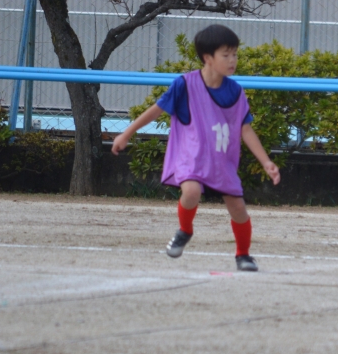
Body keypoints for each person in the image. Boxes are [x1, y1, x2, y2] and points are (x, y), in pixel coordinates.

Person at [111, 24, 280, 272]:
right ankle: (185, 230)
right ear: (207, 58)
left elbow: (245, 129)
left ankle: (243, 255)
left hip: (221, 160)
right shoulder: (185, 84)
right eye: (226, 55)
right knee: (191, 192)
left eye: (235, 54)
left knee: (238, 208)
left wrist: (266, 162)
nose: (232, 60)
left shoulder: (236, 92)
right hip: (191, 157)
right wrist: (127, 133)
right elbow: (156, 110)